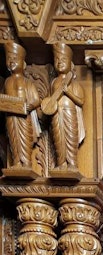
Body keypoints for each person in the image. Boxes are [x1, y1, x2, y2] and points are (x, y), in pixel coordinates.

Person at [41, 42, 84, 174]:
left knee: (70, 137)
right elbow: (50, 100)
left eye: (63, 59)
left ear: (71, 64)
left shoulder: (73, 83)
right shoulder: (54, 82)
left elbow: (81, 101)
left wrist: (68, 93)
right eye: (57, 59)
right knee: (58, 138)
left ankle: (72, 163)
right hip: (56, 113)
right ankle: (61, 163)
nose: (60, 62)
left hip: (69, 113)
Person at [0, 41, 41, 173]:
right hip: (11, 117)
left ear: (23, 64)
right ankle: (17, 161)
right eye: (9, 58)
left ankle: (26, 162)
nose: (11, 61)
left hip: (23, 117)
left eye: (15, 58)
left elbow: (36, 99)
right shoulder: (7, 81)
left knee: (24, 138)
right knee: (13, 138)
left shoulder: (26, 82)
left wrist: (30, 106)